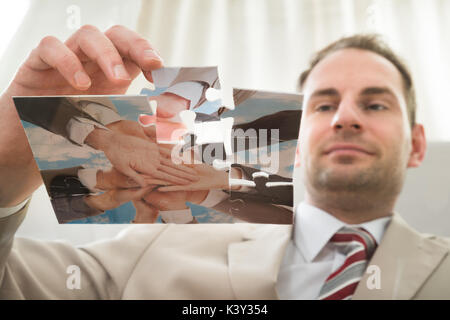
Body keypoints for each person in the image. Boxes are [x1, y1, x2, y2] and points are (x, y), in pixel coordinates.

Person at [0, 25, 449, 299]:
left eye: (375, 106)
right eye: (323, 105)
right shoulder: (159, 248)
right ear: (295, 135)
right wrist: (4, 172)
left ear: (416, 145)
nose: (346, 118)